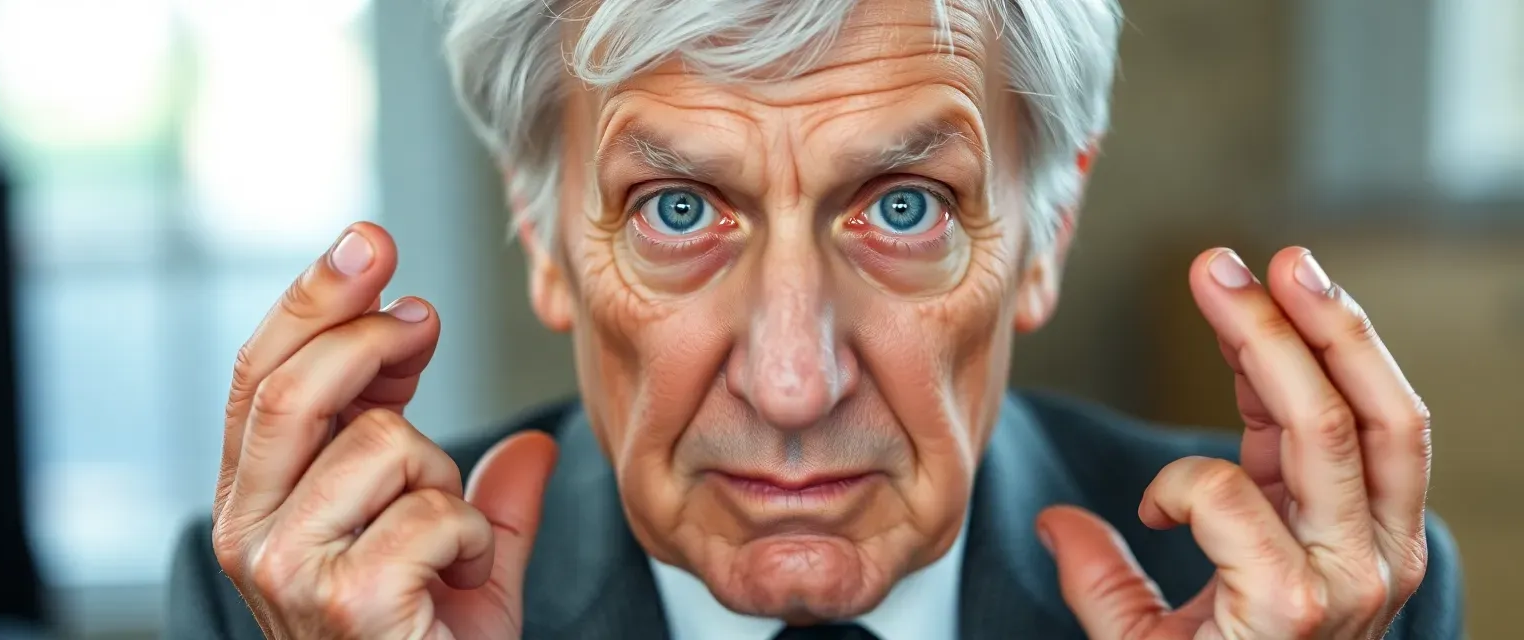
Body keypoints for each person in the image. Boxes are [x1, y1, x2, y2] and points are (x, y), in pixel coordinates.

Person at [165, 0, 1462, 638]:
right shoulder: (282, 610)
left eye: (903, 207)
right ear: (545, 236)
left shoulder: (1320, 598)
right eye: (678, 209)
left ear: (1046, 232)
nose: (793, 384)